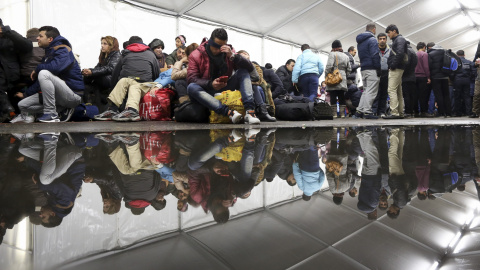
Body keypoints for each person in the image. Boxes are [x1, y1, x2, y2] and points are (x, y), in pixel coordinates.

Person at [187, 28, 260, 124]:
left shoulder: (229, 51)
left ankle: (250, 112)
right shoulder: (196, 55)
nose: (218, 50)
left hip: (224, 87)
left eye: (221, 47)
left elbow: (249, 67)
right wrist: (210, 84)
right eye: (215, 46)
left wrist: (233, 56)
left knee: (242, 71)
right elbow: (191, 79)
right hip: (207, 90)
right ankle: (229, 112)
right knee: (191, 87)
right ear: (209, 42)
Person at [14, 26, 83, 123]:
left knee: (43, 73)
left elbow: (54, 68)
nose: (37, 38)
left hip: (72, 95)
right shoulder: (49, 53)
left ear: (50, 39)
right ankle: (60, 109)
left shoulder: (63, 50)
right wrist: (26, 94)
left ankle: (51, 113)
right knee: (22, 105)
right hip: (59, 96)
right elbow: (41, 82)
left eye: (40, 36)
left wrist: (37, 68)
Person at [0, 19, 33, 121]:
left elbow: (28, 46)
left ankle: (8, 110)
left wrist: (7, 31)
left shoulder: (9, 37)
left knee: (14, 99)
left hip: (12, 74)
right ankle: (7, 111)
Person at [81, 36, 121, 111]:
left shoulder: (116, 55)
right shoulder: (105, 55)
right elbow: (98, 68)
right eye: (102, 43)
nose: (102, 45)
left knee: (95, 77)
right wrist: (88, 71)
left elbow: (111, 68)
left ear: (111, 45)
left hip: (111, 80)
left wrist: (92, 72)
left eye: (105, 44)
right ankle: (88, 107)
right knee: (86, 79)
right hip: (105, 78)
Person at [237, 50, 276, 122]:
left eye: (246, 53)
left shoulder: (255, 66)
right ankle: (261, 112)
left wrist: (249, 82)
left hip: (252, 86)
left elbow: (258, 79)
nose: (245, 54)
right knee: (255, 87)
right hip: (238, 85)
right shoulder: (235, 65)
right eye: (242, 54)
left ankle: (261, 111)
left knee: (256, 87)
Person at [355, 23, 381, 119]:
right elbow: (375, 54)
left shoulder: (360, 42)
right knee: (371, 91)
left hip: (364, 69)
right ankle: (367, 112)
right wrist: (378, 68)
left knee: (366, 90)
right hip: (372, 68)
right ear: (373, 29)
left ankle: (360, 110)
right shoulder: (372, 39)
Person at [382, 24, 407, 119]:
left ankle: (394, 112)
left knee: (391, 90)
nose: (388, 35)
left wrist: (392, 65)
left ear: (394, 31)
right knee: (398, 91)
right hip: (400, 68)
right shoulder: (400, 39)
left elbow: (400, 53)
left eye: (388, 33)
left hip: (396, 68)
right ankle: (400, 112)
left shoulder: (399, 40)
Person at [325, 40, 351, 118]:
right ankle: (342, 114)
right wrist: (344, 75)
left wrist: (327, 75)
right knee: (341, 95)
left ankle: (335, 114)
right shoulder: (346, 56)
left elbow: (329, 66)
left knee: (333, 95)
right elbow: (349, 69)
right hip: (342, 77)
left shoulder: (332, 54)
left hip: (333, 76)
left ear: (333, 47)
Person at [428, 43, 452, 117]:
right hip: (445, 77)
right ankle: (448, 112)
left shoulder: (431, 54)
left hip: (435, 77)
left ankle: (441, 112)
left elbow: (429, 66)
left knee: (438, 95)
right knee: (446, 95)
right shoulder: (446, 53)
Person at [453, 50, 475, 117]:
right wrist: (469, 78)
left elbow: (451, 72)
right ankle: (468, 112)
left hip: (457, 81)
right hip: (467, 80)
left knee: (457, 97)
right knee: (467, 97)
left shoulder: (455, 62)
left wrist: (454, 78)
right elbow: (473, 72)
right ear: (464, 55)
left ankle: (458, 113)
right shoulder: (469, 62)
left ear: (456, 55)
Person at [372, 33, 390, 117]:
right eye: (380, 39)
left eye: (383, 38)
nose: (382, 40)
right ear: (378, 40)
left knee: (384, 93)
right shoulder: (375, 49)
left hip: (386, 73)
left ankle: (381, 111)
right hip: (376, 72)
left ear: (386, 39)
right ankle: (374, 110)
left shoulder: (390, 50)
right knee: (376, 93)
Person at [415, 42, 433, 117]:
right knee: (423, 95)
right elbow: (426, 66)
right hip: (423, 77)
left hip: (415, 77)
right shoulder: (424, 54)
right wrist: (428, 77)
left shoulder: (415, 54)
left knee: (416, 95)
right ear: (424, 47)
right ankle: (423, 111)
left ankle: (416, 111)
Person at [401, 41, 418, 118]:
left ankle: (408, 111)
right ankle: (411, 111)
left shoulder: (407, 51)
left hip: (406, 77)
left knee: (406, 95)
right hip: (413, 76)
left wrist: (403, 71)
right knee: (412, 95)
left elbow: (406, 63)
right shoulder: (413, 51)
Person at [473, 41, 480, 117]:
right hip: (479, 77)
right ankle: (475, 112)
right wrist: (476, 63)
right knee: (476, 94)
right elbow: (473, 64)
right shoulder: (478, 55)